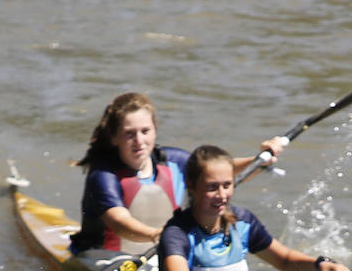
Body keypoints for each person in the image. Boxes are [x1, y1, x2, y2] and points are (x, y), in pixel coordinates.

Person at [157, 144, 352, 271]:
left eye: (227, 185)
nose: (222, 195)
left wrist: (320, 264)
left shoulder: (242, 222)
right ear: (191, 186)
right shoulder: (177, 232)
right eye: (212, 187)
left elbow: (284, 260)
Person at [71, 93, 287, 259]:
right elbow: (120, 223)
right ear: (114, 137)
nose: (139, 140)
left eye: (145, 131)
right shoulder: (103, 175)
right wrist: (158, 235)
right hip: (105, 259)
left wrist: (258, 161)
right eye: (129, 134)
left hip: (160, 254)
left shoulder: (173, 161)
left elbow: (221, 172)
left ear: (155, 131)